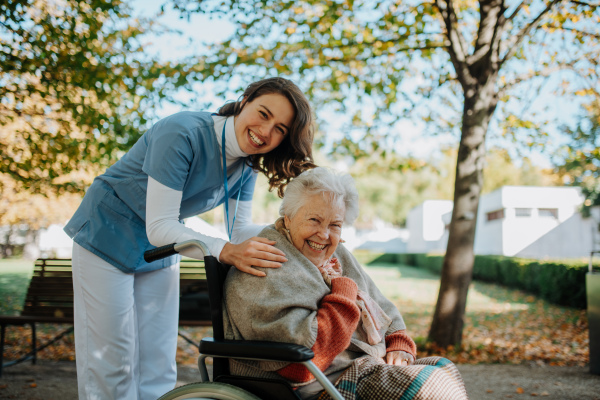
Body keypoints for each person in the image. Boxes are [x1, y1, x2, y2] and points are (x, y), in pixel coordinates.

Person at [63, 77, 316, 399]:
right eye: (264, 114)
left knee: (160, 359)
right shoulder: (182, 132)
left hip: (161, 246)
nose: (266, 132)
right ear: (246, 100)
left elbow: (239, 231)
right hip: (106, 234)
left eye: (280, 128)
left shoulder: (247, 165)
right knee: (112, 359)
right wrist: (226, 252)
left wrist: (299, 231)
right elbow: (161, 225)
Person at [223, 167, 469, 400]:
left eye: (335, 225)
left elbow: (381, 303)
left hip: (361, 363)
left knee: (443, 368)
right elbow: (303, 366)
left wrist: (398, 341)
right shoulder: (265, 260)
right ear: (287, 218)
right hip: (320, 384)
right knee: (435, 386)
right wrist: (343, 296)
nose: (324, 235)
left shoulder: (335, 254)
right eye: (314, 220)